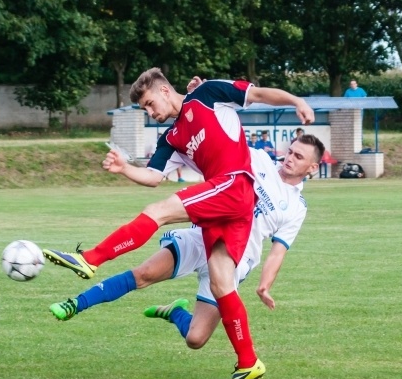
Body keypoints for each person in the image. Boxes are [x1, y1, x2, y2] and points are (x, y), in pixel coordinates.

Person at [43, 68, 313, 379]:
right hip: (226, 213)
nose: (149, 111)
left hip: (234, 185)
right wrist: (124, 168)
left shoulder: (208, 94)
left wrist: (296, 100)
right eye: (143, 108)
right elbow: (154, 177)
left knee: (158, 212)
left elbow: (257, 93)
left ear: (165, 91)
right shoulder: (171, 139)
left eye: (148, 103)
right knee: (221, 285)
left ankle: (91, 258)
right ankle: (249, 362)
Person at [49, 136, 323, 357]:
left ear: (312, 167)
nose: (289, 158)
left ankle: (175, 312)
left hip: (235, 260)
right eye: (290, 151)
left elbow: (278, 250)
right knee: (143, 274)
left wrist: (264, 286)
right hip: (203, 237)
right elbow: (218, 147)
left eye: (298, 157)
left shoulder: (297, 208)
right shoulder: (258, 159)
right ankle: (76, 303)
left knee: (195, 339)